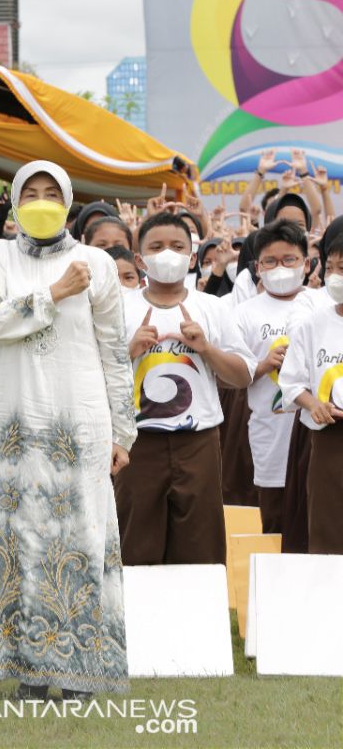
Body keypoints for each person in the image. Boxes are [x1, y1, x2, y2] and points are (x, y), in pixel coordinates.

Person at [0, 160, 136, 702]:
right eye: (29, 192)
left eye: (50, 192)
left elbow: (114, 353)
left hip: (79, 422)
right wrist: (53, 293)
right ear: (13, 199)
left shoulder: (97, 263)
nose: (39, 200)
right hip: (12, 422)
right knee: (16, 532)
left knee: (77, 532)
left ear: (69, 197)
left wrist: (123, 431)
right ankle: (29, 666)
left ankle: (78, 666)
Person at [115, 213, 255, 566]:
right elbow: (91, 373)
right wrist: (127, 352)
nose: (167, 254)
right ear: (139, 258)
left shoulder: (211, 308)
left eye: (177, 247)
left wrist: (206, 349)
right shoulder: (119, 309)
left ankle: (199, 618)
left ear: (192, 257)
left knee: (200, 545)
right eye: (156, 247)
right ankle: (140, 618)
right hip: (136, 442)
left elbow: (243, 376)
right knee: (136, 543)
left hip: (199, 443)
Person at [232, 221, 315, 533]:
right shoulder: (245, 313)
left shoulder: (323, 305)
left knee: (318, 512)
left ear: (306, 263)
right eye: (270, 261)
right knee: (275, 521)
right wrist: (263, 365)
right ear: (257, 267)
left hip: (316, 432)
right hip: (270, 431)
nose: (280, 267)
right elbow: (231, 373)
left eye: (289, 259)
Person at [279, 235, 343, 554]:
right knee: (327, 527)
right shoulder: (313, 325)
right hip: (328, 440)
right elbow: (291, 381)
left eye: (342, 268)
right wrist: (313, 404)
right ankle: (331, 600)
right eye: (329, 268)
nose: (334, 277)